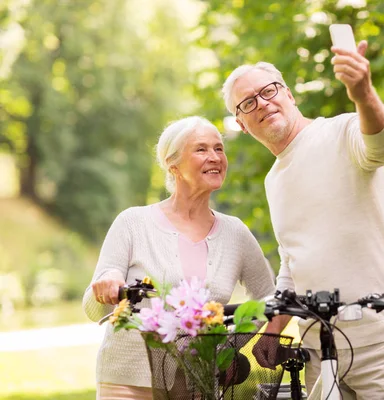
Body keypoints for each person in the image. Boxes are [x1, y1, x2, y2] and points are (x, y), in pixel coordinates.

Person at [221, 41, 384, 399]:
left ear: (288, 94)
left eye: (269, 91)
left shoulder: (342, 131)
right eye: (248, 102)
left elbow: (382, 145)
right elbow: (294, 263)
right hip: (319, 350)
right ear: (241, 123)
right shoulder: (274, 179)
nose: (263, 103)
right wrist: (273, 329)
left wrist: (363, 93)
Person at [82, 116, 276, 400]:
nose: (215, 157)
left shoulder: (235, 232)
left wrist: (230, 345)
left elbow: (267, 296)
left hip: (198, 382)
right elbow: (92, 307)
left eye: (219, 149)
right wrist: (106, 284)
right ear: (173, 165)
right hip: (129, 380)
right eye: (201, 149)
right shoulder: (133, 223)